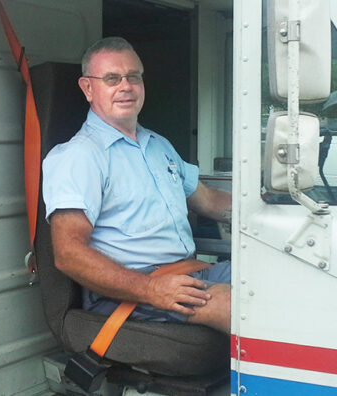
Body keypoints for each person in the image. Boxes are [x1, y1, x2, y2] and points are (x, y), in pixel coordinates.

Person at [42, 37, 232, 333]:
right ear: (88, 88)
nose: (126, 86)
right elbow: (69, 254)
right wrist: (151, 289)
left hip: (187, 272)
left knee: (284, 281)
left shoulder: (158, 145)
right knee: (243, 308)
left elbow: (208, 201)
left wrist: (268, 208)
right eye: (112, 79)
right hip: (127, 293)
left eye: (133, 77)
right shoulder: (79, 156)